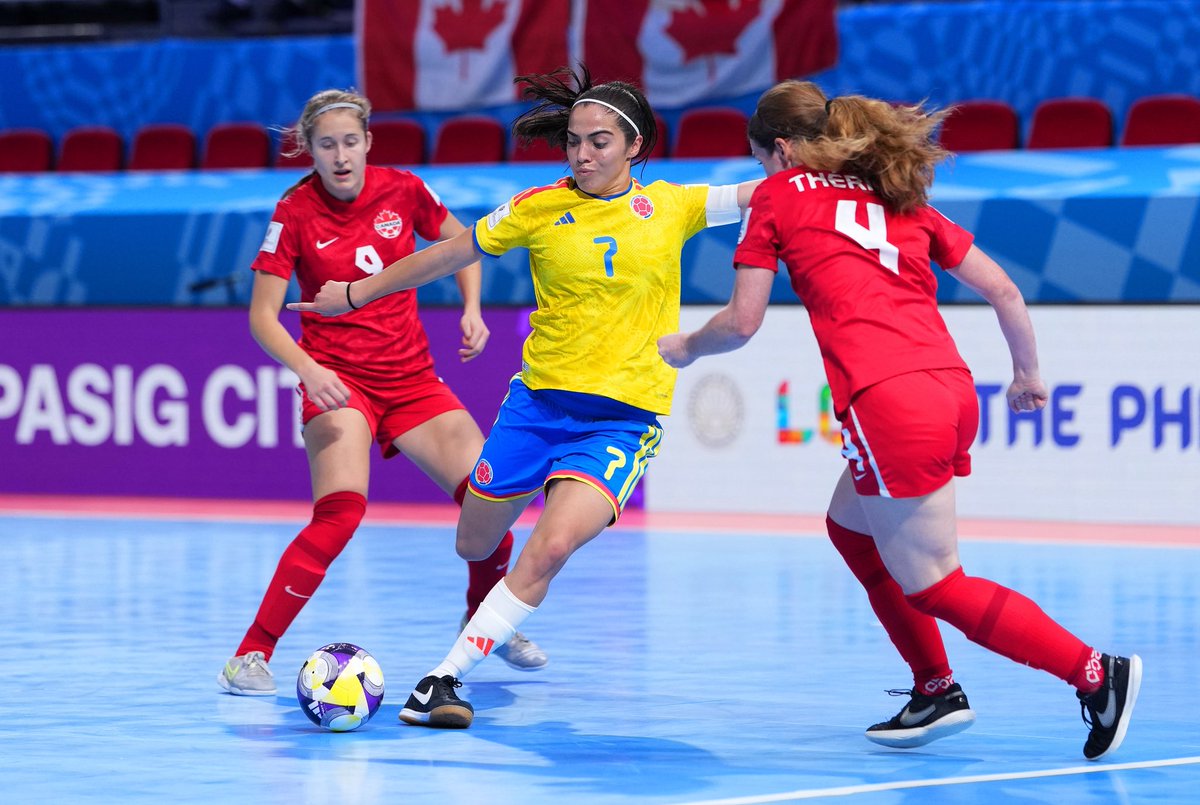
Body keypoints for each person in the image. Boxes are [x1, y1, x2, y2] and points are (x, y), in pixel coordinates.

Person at [657, 80, 1141, 760]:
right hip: (948, 386)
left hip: (888, 400)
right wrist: (1028, 374)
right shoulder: (896, 195)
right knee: (849, 527)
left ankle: (1094, 672)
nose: (764, 172)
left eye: (764, 158)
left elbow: (741, 322)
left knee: (938, 580)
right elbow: (1003, 288)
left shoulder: (776, 195)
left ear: (785, 149)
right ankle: (934, 686)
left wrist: (684, 346)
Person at [289, 66, 761, 728]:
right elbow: (447, 255)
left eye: (599, 141)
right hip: (534, 410)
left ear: (635, 145)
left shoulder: (676, 206)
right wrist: (357, 292)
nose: (582, 153)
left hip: (620, 424)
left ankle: (441, 680)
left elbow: (763, 194)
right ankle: (485, 615)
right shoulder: (538, 207)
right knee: (473, 539)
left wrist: (841, 170)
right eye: (573, 140)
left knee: (550, 545)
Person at [217, 88, 547, 696]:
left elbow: (464, 244)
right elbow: (263, 318)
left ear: (368, 141)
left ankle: (483, 623)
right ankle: (250, 656)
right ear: (310, 151)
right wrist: (310, 371)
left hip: (413, 379)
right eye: (326, 144)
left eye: (350, 141)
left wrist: (472, 307)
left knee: (490, 502)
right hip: (340, 381)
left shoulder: (404, 188)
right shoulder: (293, 212)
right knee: (340, 513)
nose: (340, 156)